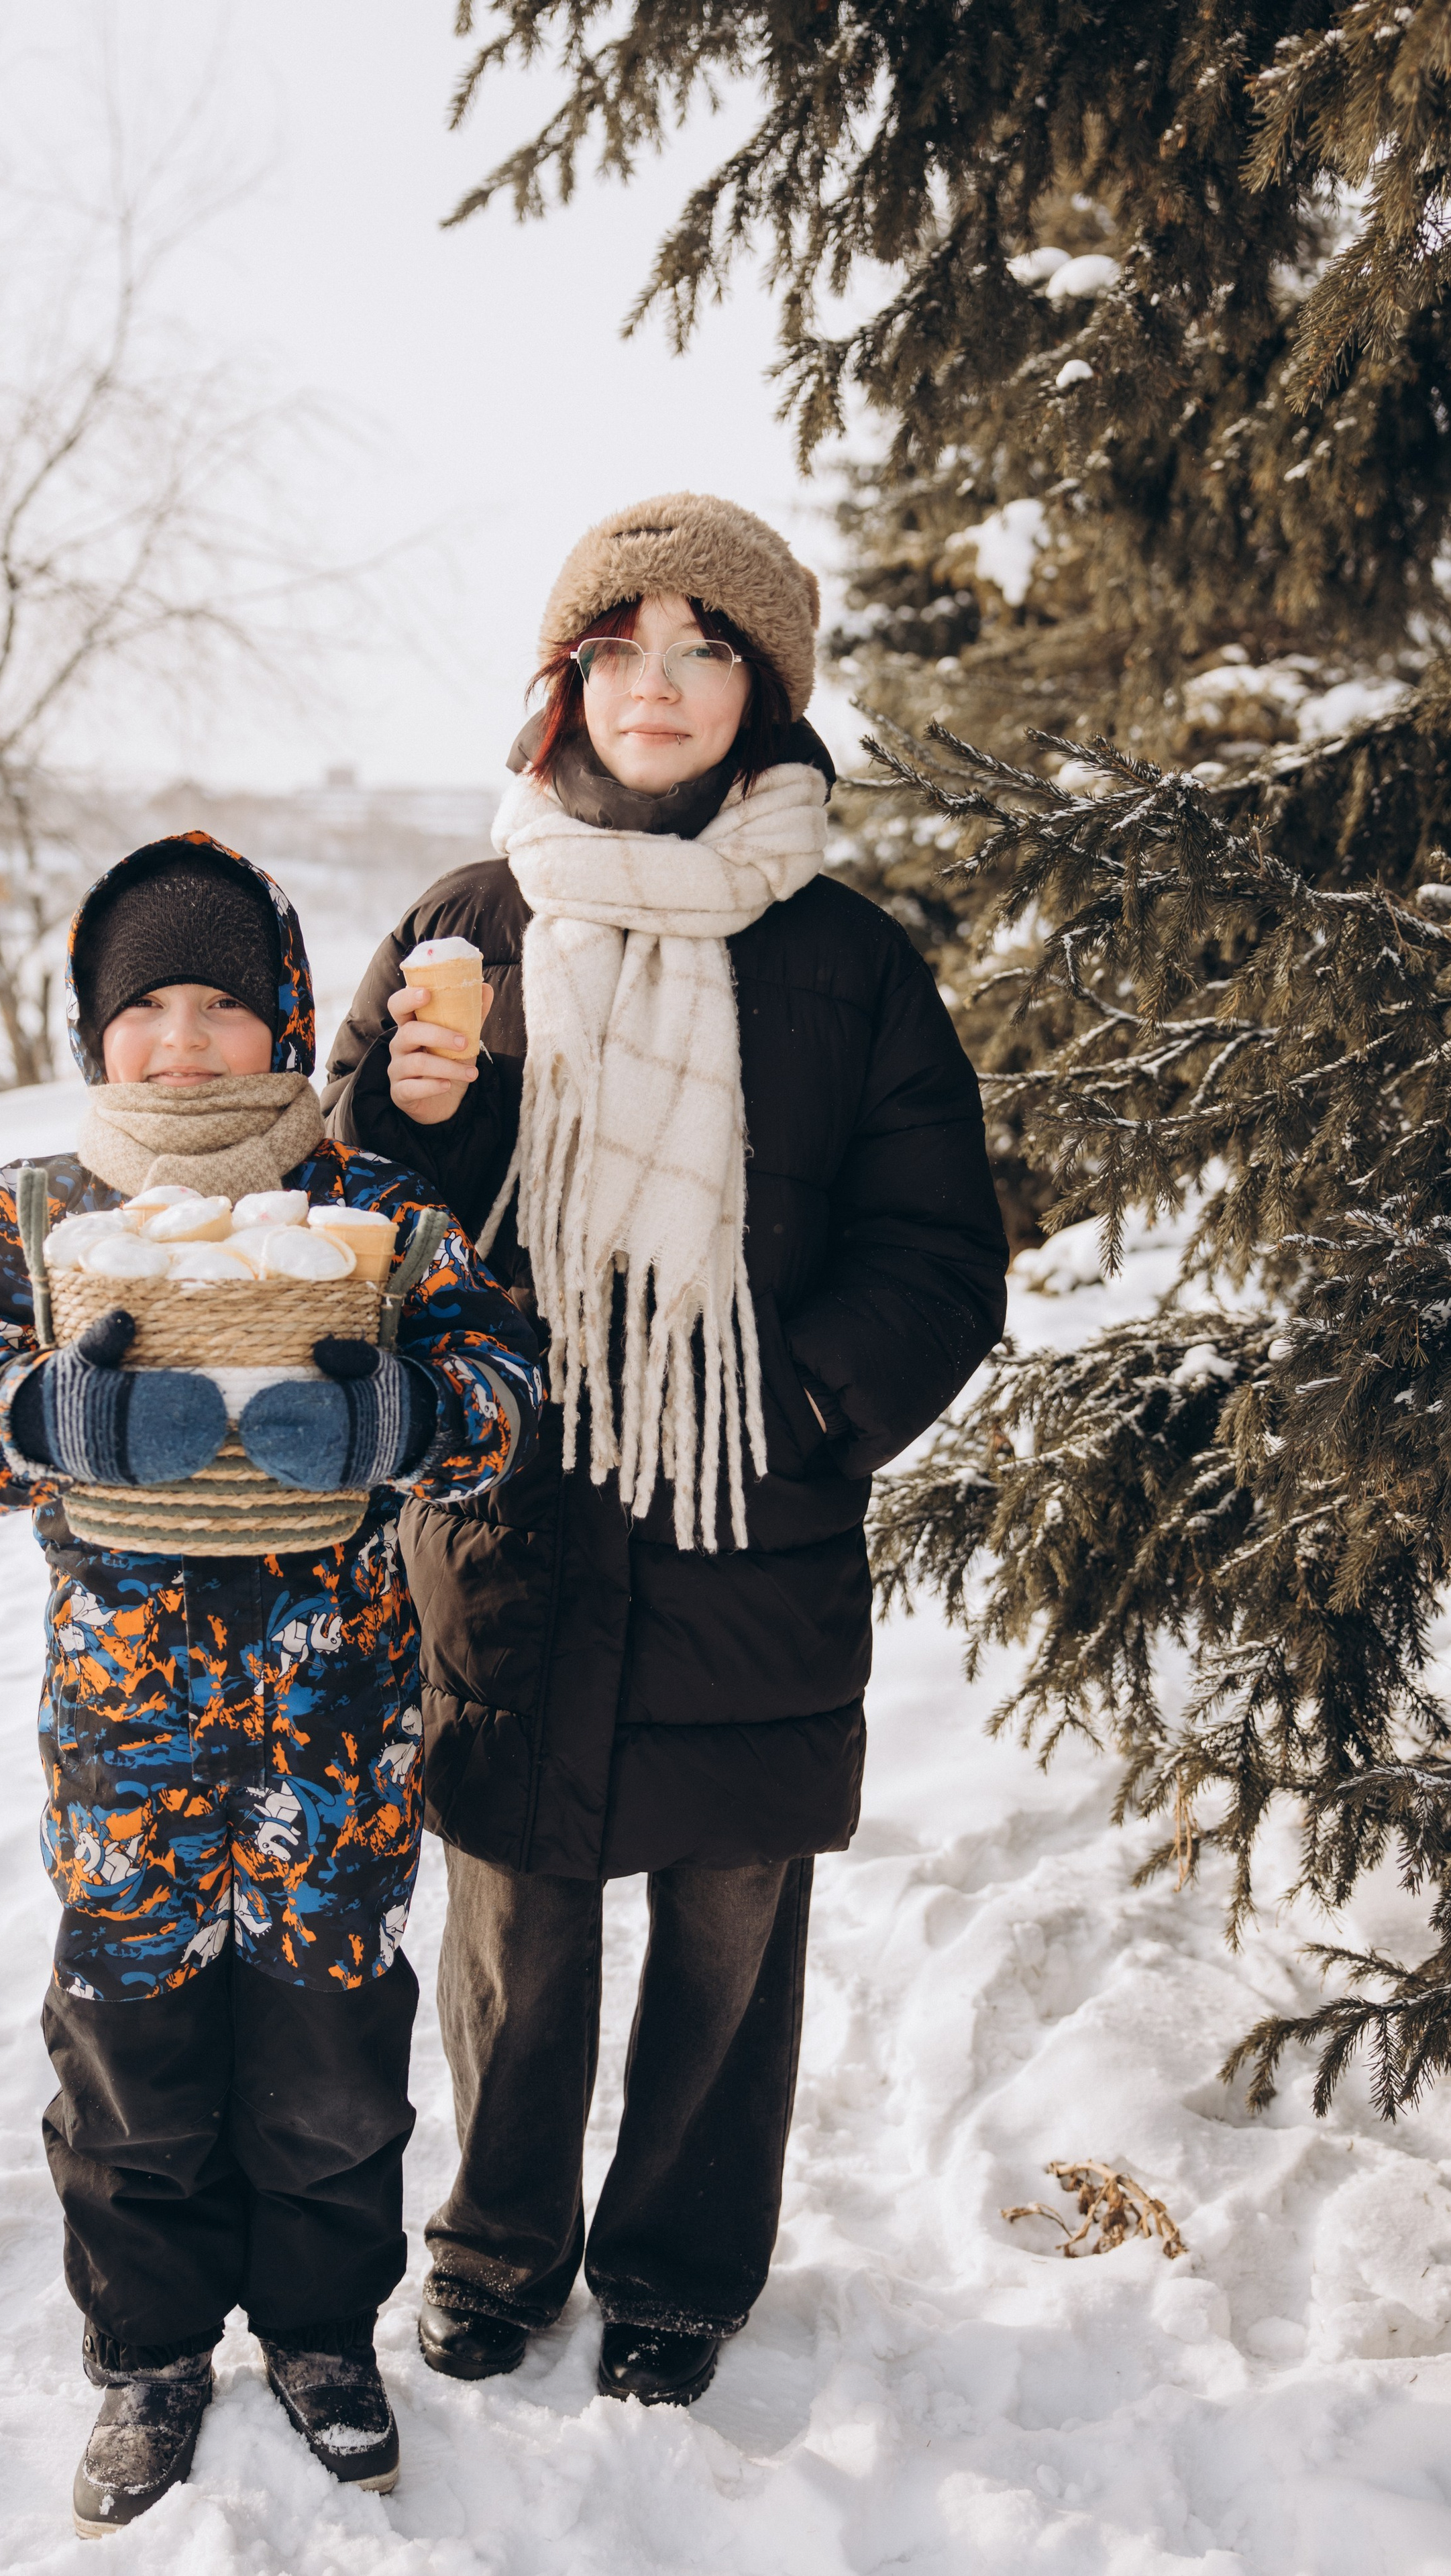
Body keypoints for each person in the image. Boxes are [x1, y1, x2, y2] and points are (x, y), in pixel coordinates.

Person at [322, 492, 1010, 2408]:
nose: (657, 683)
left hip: (747, 1519)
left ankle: (683, 2269)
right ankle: (495, 2248)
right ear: (563, 684)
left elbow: (942, 1251)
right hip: (521, 1522)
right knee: (516, 1916)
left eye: (703, 649)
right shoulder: (470, 924)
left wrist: (789, 1404)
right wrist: (409, 1114)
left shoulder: (852, 961)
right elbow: (360, 1227)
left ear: (762, 694)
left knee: (729, 1927)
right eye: (618, 647)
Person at [0, 833, 542, 2534]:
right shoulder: (39, 1209)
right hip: (124, 1743)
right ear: (97, 1031)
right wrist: (34, 1418)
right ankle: (151, 2351)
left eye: (225, 1007)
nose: (183, 1040)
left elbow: (503, 1381)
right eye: (146, 1007)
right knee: (132, 2062)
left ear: (288, 1021)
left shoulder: (370, 1208)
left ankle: (324, 2336)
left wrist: (411, 1419)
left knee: (332, 2061)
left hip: (337, 1741)